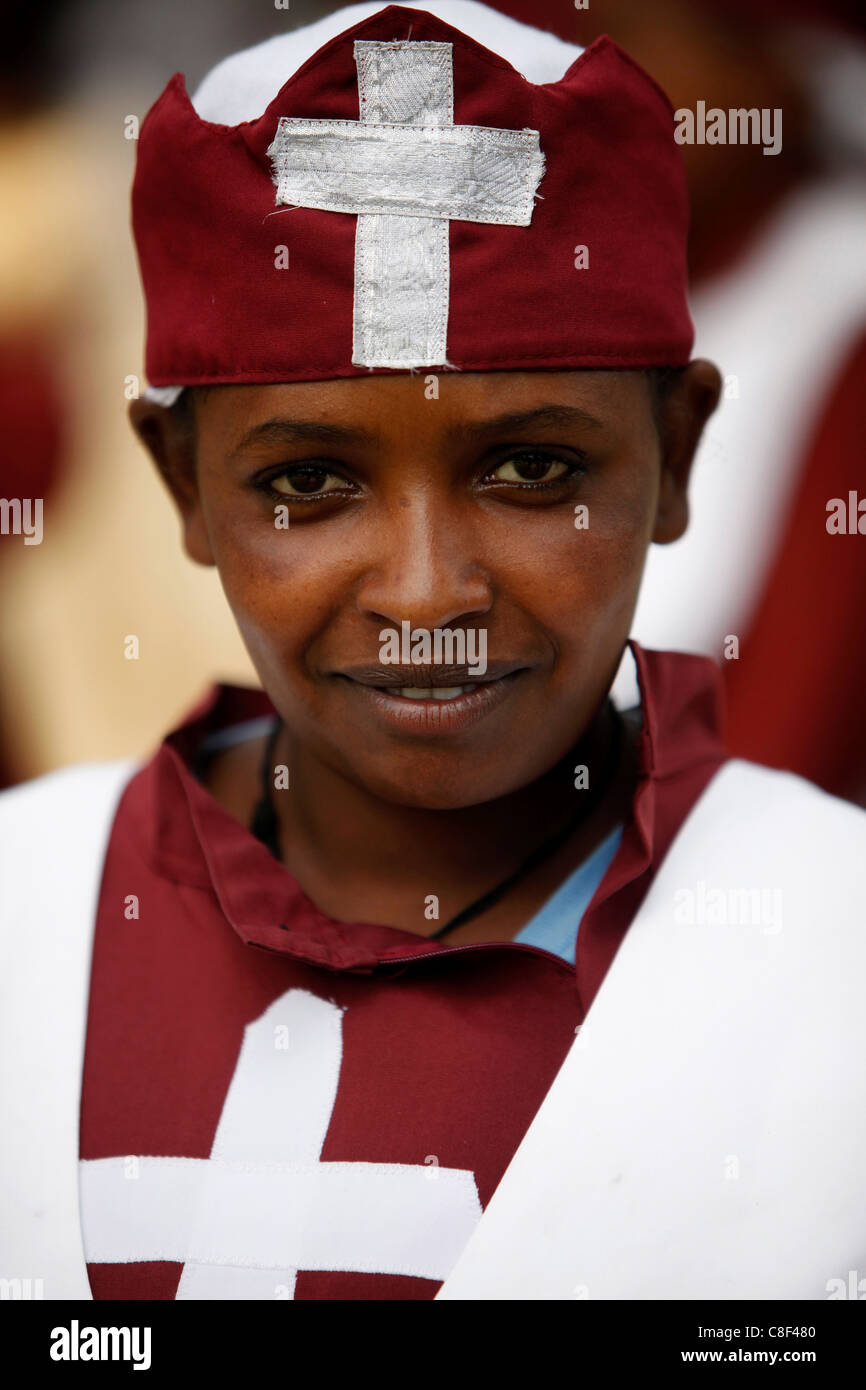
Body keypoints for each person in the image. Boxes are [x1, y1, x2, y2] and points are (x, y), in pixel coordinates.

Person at [1, 0, 864, 1302]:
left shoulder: (828, 953)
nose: (423, 592)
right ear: (180, 483)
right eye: (308, 480)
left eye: (529, 468)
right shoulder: (29, 907)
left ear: (674, 455)